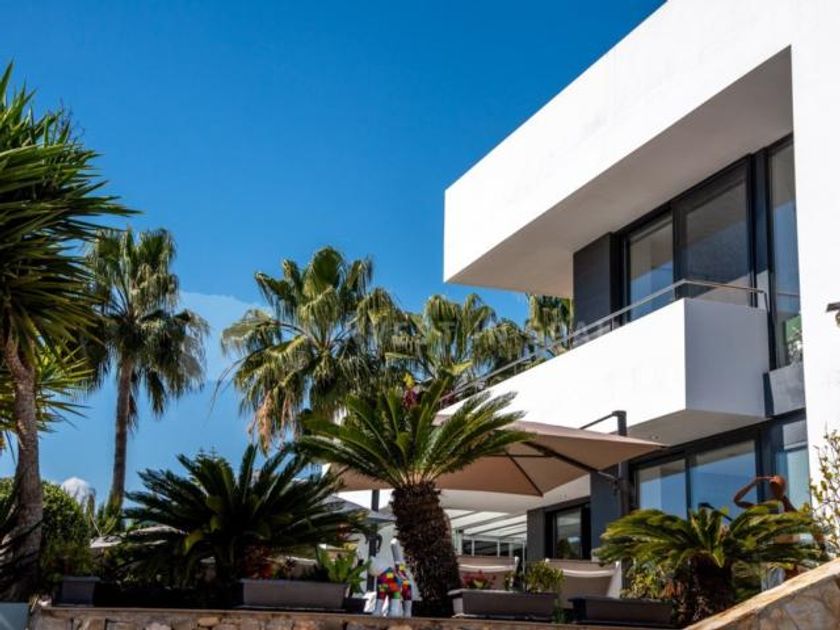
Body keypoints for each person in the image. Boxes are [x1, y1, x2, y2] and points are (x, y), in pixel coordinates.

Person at [731, 475, 797, 588]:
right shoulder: (765, 508)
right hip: (769, 557)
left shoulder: (788, 508)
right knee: (770, 587)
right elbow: (737, 500)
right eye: (772, 487)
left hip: (784, 557)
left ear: (783, 489)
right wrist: (754, 483)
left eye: (777, 487)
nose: (774, 490)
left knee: (781, 585)